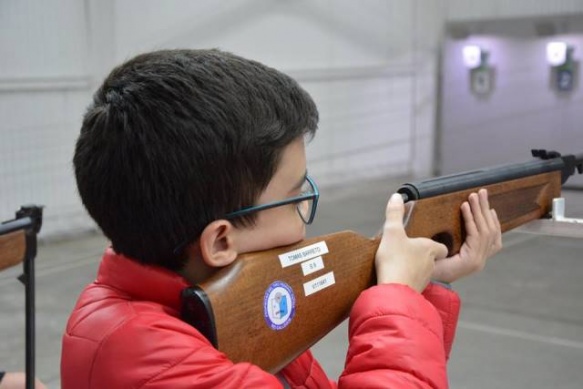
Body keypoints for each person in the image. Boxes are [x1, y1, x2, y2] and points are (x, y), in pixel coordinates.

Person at [61, 49, 502, 388]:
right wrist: (396, 297)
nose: (303, 222)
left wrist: (428, 285)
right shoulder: (149, 359)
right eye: (294, 199)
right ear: (219, 241)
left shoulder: (229, 308)